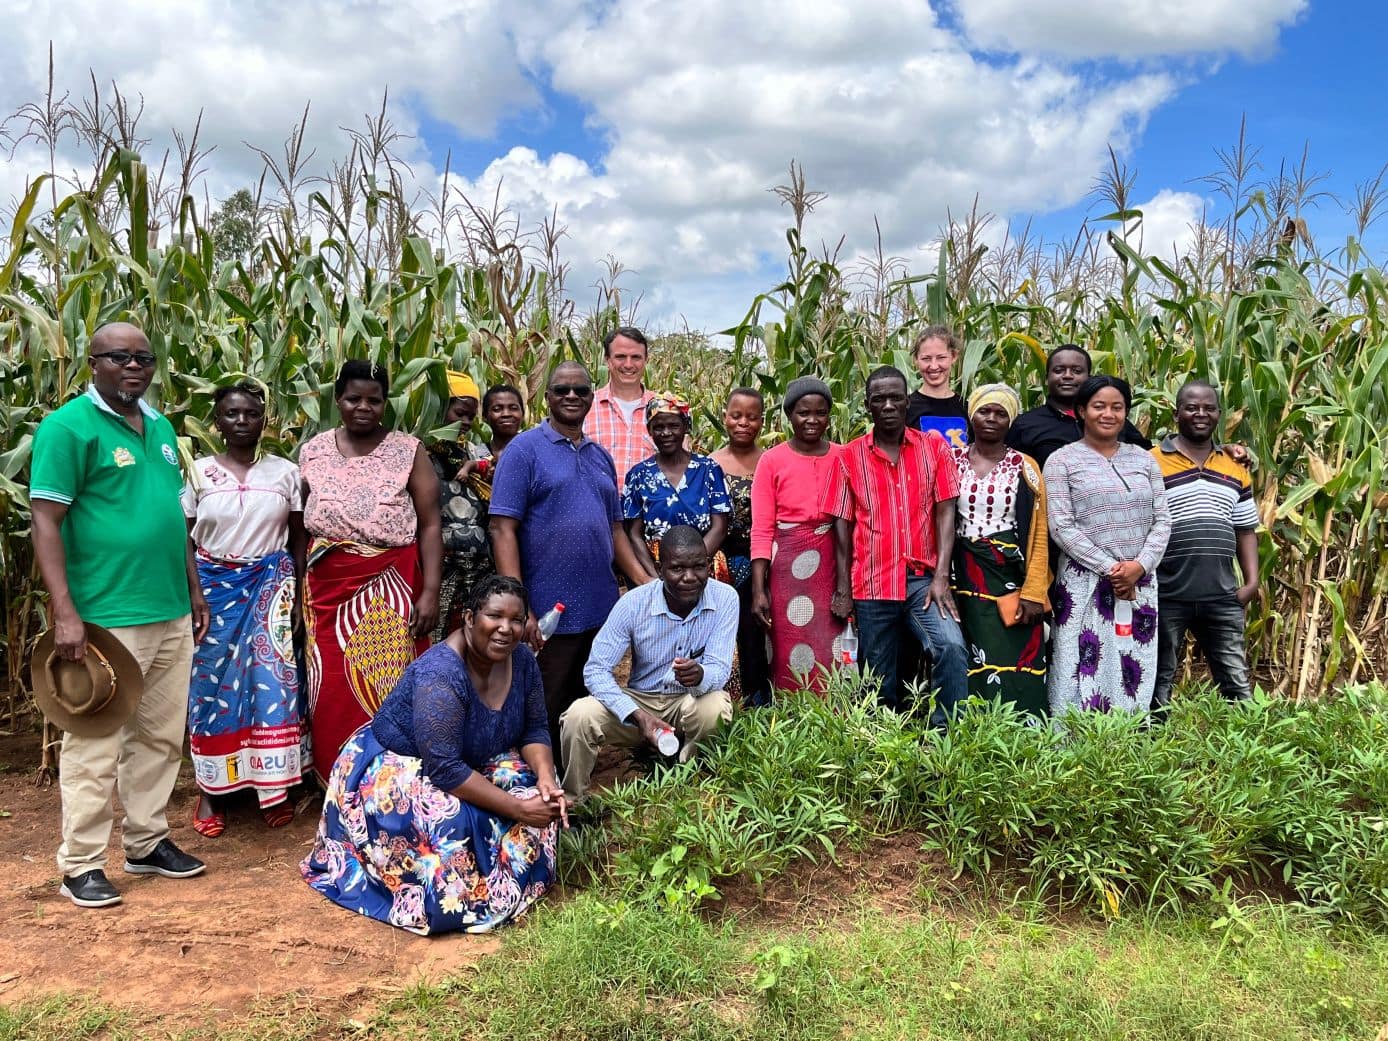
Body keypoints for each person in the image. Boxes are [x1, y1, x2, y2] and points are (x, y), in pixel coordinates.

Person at [30, 321, 209, 908]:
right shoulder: (67, 428)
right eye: (119, 357)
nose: (134, 366)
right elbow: (47, 521)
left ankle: (146, 841)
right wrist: (65, 612)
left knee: (159, 736)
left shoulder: (158, 427)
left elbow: (172, 518)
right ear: (93, 363)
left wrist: (194, 593)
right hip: (107, 613)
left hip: (169, 609)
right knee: (95, 739)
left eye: (144, 357)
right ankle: (80, 863)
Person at [301, 575, 564, 935]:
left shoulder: (522, 660)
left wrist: (546, 780)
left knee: (539, 789)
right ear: (469, 618)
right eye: (494, 617)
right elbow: (445, 769)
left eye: (516, 620)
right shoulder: (439, 675)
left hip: (473, 756)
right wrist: (518, 809)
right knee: (452, 820)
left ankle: (512, 881)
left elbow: (535, 729)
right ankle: (463, 898)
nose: (505, 629)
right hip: (400, 766)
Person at [490, 362, 647, 759]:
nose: (572, 396)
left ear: (592, 398)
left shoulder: (599, 457)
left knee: (585, 698)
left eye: (580, 390)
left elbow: (614, 532)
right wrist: (518, 603)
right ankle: (542, 785)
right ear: (547, 398)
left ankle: (575, 780)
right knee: (545, 698)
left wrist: (646, 585)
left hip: (599, 605)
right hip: (548, 607)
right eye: (562, 390)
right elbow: (502, 529)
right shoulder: (524, 451)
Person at [298, 360, 443, 777]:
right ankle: (337, 780)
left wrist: (429, 590)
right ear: (337, 400)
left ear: (385, 403)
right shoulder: (314, 451)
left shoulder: (408, 451)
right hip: (325, 587)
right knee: (329, 689)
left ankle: (391, 781)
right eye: (353, 398)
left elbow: (431, 523)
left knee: (388, 681)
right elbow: (300, 524)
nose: (363, 407)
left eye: (374, 400)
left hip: (391, 583)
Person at [183, 382, 308, 836]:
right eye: (231, 414)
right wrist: (195, 594)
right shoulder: (196, 473)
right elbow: (186, 538)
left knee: (271, 682)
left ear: (263, 421)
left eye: (250, 414)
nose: (241, 421)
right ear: (217, 421)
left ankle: (273, 789)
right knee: (209, 684)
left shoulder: (285, 473)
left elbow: (297, 539)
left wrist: (299, 594)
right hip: (213, 591)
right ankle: (210, 792)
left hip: (270, 588)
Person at [824, 366, 968, 722]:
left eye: (895, 398)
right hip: (873, 581)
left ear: (907, 401)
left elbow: (946, 512)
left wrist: (941, 577)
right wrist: (843, 587)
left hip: (923, 579)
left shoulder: (933, 448)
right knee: (879, 679)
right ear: (867, 406)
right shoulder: (849, 456)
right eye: (879, 399)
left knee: (950, 646)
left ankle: (944, 738)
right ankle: (883, 749)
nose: (888, 405)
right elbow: (841, 526)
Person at [560, 526, 736, 803]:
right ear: (660, 568)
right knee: (579, 715)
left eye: (699, 567)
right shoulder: (633, 604)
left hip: (688, 701)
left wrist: (700, 674)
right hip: (640, 702)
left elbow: (720, 668)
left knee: (715, 708)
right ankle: (573, 802)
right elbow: (595, 669)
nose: (690, 577)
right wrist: (636, 715)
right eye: (677, 568)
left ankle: (684, 777)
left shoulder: (725, 599)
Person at [1045, 375, 1171, 715]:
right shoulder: (1061, 461)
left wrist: (1138, 566)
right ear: (1082, 411)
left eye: (1117, 407)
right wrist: (1111, 570)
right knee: (1078, 662)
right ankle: (1070, 738)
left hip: (1139, 581)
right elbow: (1061, 526)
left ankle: (1126, 736)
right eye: (1099, 406)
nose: (1108, 414)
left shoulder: (1144, 460)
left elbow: (1162, 520)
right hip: (1084, 581)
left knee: (1132, 659)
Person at [1151, 380, 1261, 713]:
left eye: (1209, 408)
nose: (1201, 414)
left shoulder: (1235, 467)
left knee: (1235, 680)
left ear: (1218, 414)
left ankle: (1247, 746)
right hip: (1166, 593)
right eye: (1192, 407)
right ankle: (1151, 749)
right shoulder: (1150, 462)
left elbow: (1245, 529)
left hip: (1222, 594)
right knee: (1159, 679)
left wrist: (1252, 583)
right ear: (1176, 413)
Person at [950, 385, 1050, 718]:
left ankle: (1024, 730)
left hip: (1010, 576)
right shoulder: (952, 461)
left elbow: (1039, 531)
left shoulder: (1026, 466)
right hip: (965, 576)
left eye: (1000, 413)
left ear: (1011, 420)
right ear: (971, 415)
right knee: (972, 654)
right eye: (984, 411)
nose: (991, 419)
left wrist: (1035, 591)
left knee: (1017, 654)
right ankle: (975, 728)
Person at [749, 377, 845, 695]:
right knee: (789, 642)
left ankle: (836, 717)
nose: (812, 420)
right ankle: (793, 715)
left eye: (821, 412)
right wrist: (759, 588)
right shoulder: (771, 461)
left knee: (832, 643)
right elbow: (762, 528)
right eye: (804, 412)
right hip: (786, 568)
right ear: (789, 415)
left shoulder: (844, 457)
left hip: (833, 563)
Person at [622, 393, 732, 578]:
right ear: (649, 430)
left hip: (703, 569)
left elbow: (719, 527)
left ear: (685, 427)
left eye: (673, 425)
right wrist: (656, 578)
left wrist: (691, 567)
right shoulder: (639, 475)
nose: (666, 433)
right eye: (658, 427)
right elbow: (634, 534)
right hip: (658, 572)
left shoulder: (708, 469)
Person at [711, 387, 771, 704]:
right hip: (723, 562)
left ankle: (761, 699)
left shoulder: (771, 461)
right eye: (736, 416)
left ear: (762, 421)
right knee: (729, 632)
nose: (743, 423)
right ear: (725, 418)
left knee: (758, 631)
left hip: (767, 560)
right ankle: (728, 700)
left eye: (751, 417)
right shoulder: (710, 464)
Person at [427, 370, 493, 641]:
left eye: (471, 416)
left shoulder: (477, 454)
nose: (465, 422)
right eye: (459, 413)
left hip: (480, 567)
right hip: (441, 567)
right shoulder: (423, 453)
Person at [1008, 345, 1151, 468]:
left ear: (1089, 377)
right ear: (1046, 378)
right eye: (1059, 370)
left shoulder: (1111, 421)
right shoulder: (1025, 425)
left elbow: (1147, 458)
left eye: (1077, 371)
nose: (1068, 376)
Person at [583, 326, 656, 491]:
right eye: (621, 357)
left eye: (636, 357)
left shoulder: (664, 409)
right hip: (599, 512)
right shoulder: (586, 407)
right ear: (608, 360)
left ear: (646, 360)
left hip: (650, 513)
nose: (628, 365)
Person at [906, 326, 969, 448]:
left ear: (954, 356)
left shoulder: (967, 409)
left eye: (941, 357)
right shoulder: (906, 408)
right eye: (926, 359)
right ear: (915, 360)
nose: (934, 366)